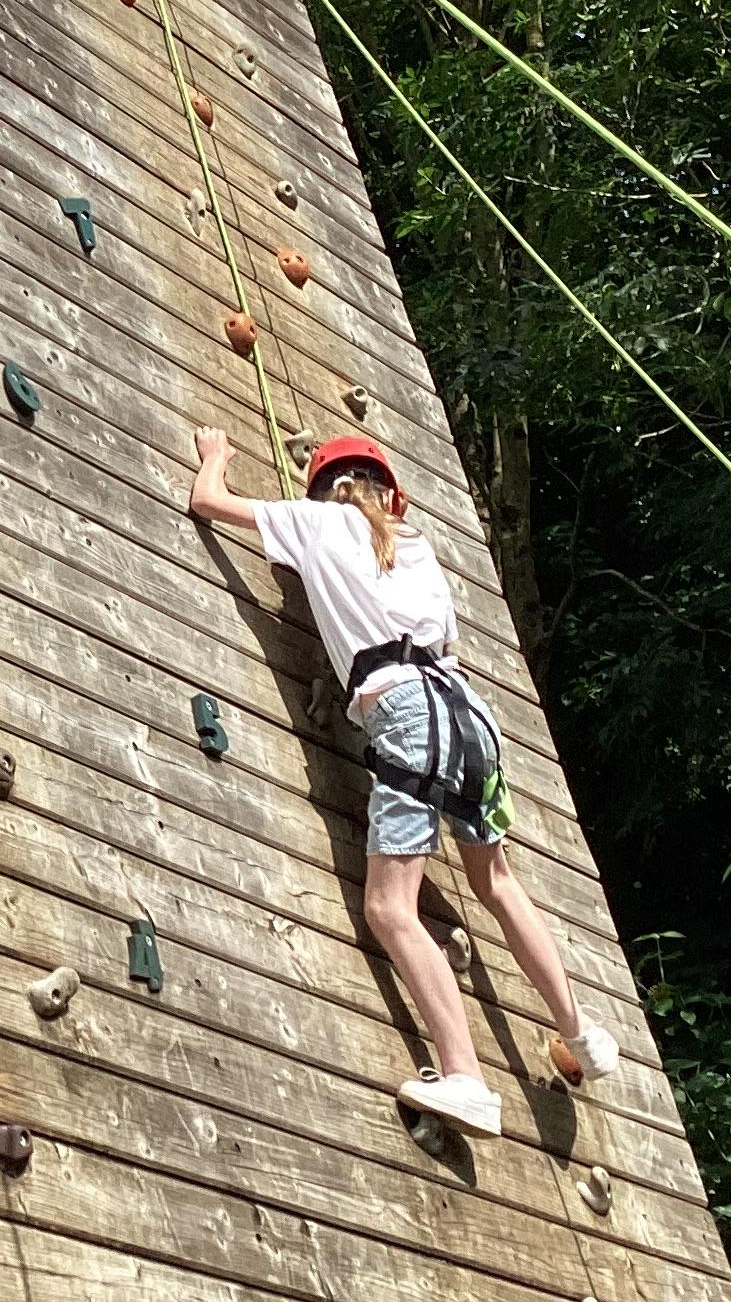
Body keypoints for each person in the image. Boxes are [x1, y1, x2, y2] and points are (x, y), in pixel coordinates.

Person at [189, 422, 620, 1139]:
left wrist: (217, 456)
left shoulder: (315, 521)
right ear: (395, 496)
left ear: (321, 490)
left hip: (405, 710)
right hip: (470, 716)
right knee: (496, 880)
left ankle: (466, 1078)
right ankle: (583, 1035)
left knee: (391, 908)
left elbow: (208, 503)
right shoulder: (417, 546)